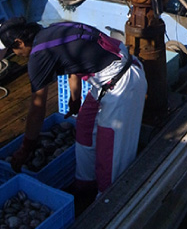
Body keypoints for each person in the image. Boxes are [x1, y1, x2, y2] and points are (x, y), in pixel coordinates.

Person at [0, 17, 147, 199]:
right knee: (84, 128)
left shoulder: (38, 56)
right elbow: (73, 65)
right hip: (106, 79)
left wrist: (25, 149)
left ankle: (107, 201)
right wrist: (75, 99)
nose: (16, 55)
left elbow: (37, 108)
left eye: (13, 51)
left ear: (19, 42)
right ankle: (85, 187)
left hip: (122, 83)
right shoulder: (53, 30)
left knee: (111, 153)